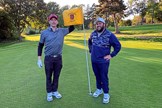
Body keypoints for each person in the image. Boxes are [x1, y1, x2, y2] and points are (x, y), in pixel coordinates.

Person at [37, 13, 75, 102]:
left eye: (55, 20)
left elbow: (72, 28)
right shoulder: (44, 33)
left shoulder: (62, 31)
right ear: (49, 21)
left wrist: (71, 19)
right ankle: (49, 93)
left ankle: (55, 91)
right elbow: (40, 46)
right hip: (48, 58)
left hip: (58, 58)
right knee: (48, 76)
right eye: (51, 20)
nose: (53, 21)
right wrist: (39, 59)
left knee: (56, 76)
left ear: (57, 21)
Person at [88, 17, 121, 104]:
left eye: (100, 23)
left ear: (104, 24)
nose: (98, 25)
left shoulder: (109, 34)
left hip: (103, 61)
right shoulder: (93, 33)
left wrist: (111, 55)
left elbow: (118, 46)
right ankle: (99, 89)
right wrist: (91, 50)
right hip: (94, 60)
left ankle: (106, 93)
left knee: (103, 76)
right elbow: (89, 41)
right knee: (97, 76)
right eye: (97, 23)